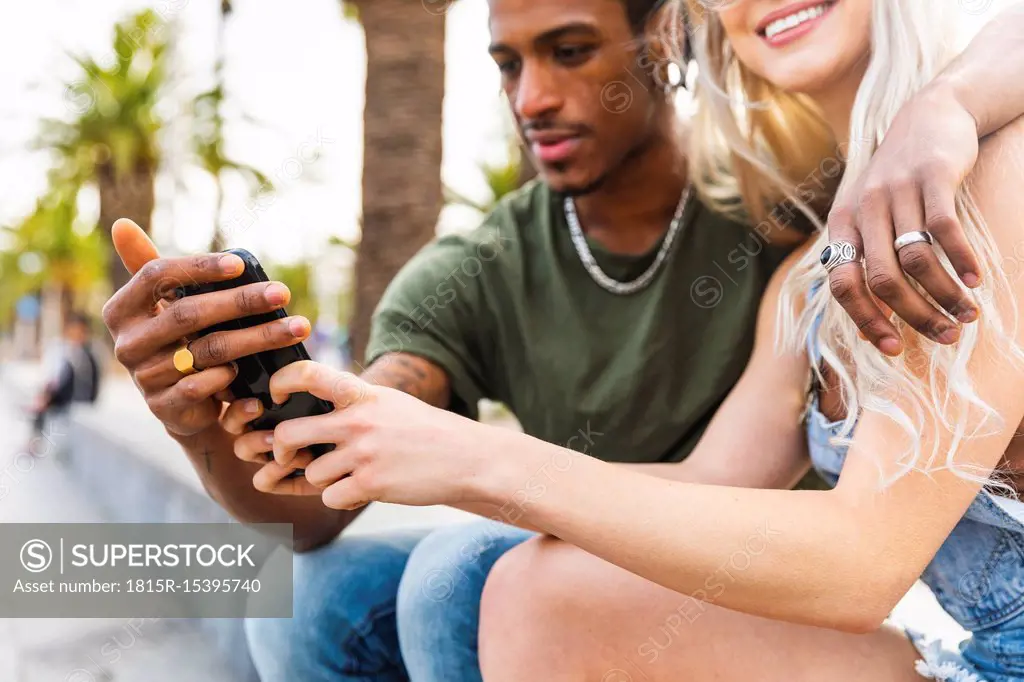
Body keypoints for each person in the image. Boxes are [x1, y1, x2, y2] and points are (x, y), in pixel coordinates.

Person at [98, 1, 1024, 680]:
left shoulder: (973, 173)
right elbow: (712, 481)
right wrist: (354, 434)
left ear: (659, 43)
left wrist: (946, 104)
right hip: (949, 645)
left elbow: (862, 561)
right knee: (476, 592)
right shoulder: (808, 266)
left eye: (572, 52)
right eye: (507, 66)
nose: (534, 97)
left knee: (475, 582)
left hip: (904, 611)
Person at [27, 311, 100, 457]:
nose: (75, 334)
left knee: (43, 403)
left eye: (79, 331)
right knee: (42, 400)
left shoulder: (85, 354)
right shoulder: (68, 350)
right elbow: (56, 377)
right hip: (67, 396)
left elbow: (72, 382)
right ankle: (34, 441)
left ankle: (35, 442)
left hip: (79, 398)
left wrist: (48, 396)